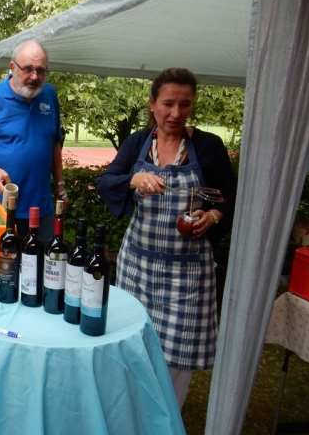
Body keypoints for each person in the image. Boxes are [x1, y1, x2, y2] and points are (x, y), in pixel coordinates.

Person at [97, 67, 237, 409]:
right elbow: (106, 182)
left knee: (176, 359)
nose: (176, 113)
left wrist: (213, 216)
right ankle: (131, 416)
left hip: (186, 274)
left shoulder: (207, 146)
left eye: (184, 104)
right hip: (137, 268)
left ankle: (166, 420)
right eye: (168, 104)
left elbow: (231, 196)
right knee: (132, 346)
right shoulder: (137, 144)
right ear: (153, 104)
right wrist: (133, 180)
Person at [0, 40, 69, 242]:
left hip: (41, 208)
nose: (34, 77)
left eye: (40, 70)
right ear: (12, 67)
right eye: (27, 69)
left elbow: (55, 142)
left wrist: (60, 185)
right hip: (1, 208)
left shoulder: (49, 95)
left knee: (40, 260)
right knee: (2, 261)